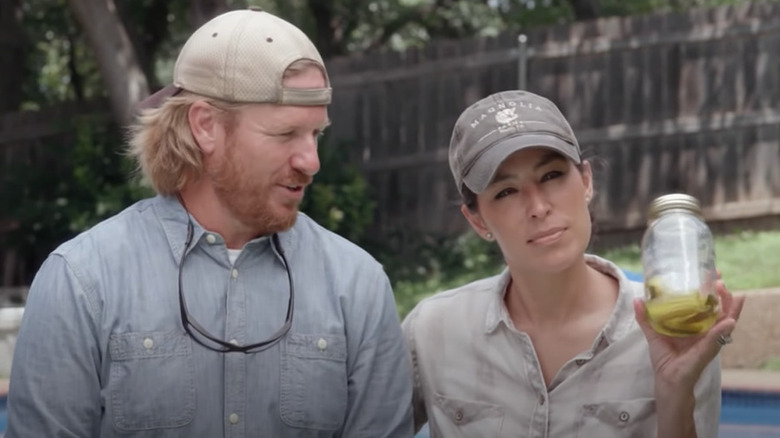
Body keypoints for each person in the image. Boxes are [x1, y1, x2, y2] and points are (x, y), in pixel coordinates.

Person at [6, 8, 412, 438]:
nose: (310, 162)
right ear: (206, 126)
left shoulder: (358, 285)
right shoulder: (82, 280)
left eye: (316, 135)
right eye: (284, 134)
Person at [402, 90, 745, 438]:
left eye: (551, 175)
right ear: (478, 221)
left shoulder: (674, 332)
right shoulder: (431, 332)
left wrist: (675, 393)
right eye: (505, 192)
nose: (537, 206)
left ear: (585, 180)